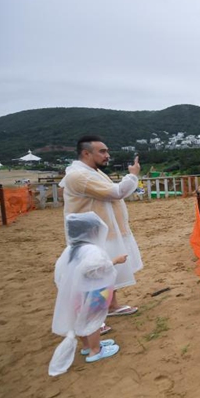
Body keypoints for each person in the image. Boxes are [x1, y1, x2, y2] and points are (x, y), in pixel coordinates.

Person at [60, 136, 142, 319]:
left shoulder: (92, 172)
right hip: (90, 235)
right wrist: (132, 175)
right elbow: (116, 192)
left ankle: (111, 306)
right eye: (102, 151)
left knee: (107, 271)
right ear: (86, 153)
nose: (107, 155)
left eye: (107, 151)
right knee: (94, 275)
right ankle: (92, 318)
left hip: (103, 232)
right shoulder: (79, 175)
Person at [49, 212, 125, 375]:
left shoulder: (69, 250)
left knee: (80, 320)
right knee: (93, 321)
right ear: (92, 232)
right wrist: (115, 261)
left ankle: (86, 346)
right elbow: (94, 269)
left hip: (74, 294)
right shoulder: (92, 250)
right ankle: (95, 350)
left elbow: (60, 272)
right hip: (93, 293)